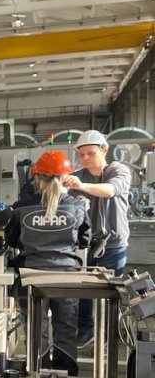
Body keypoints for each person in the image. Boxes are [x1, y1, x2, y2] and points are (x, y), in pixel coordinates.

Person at [5, 150, 90, 372]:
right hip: (67, 278)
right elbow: (84, 240)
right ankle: (66, 375)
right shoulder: (77, 206)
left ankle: (37, 372)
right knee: (66, 328)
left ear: (37, 178)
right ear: (65, 178)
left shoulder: (21, 208)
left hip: (31, 277)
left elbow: (11, 239)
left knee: (36, 327)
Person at [62, 129, 132, 348]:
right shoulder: (78, 175)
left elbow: (111, 190)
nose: (85, 158)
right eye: (81, 154)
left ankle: (111, 335)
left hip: (113, 245)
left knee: (111, 293)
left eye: (90, 153)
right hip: (86, 245)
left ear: (104, 150)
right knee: (84, 291)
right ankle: (86, 331)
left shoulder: (118, 170)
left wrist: (81, 187)